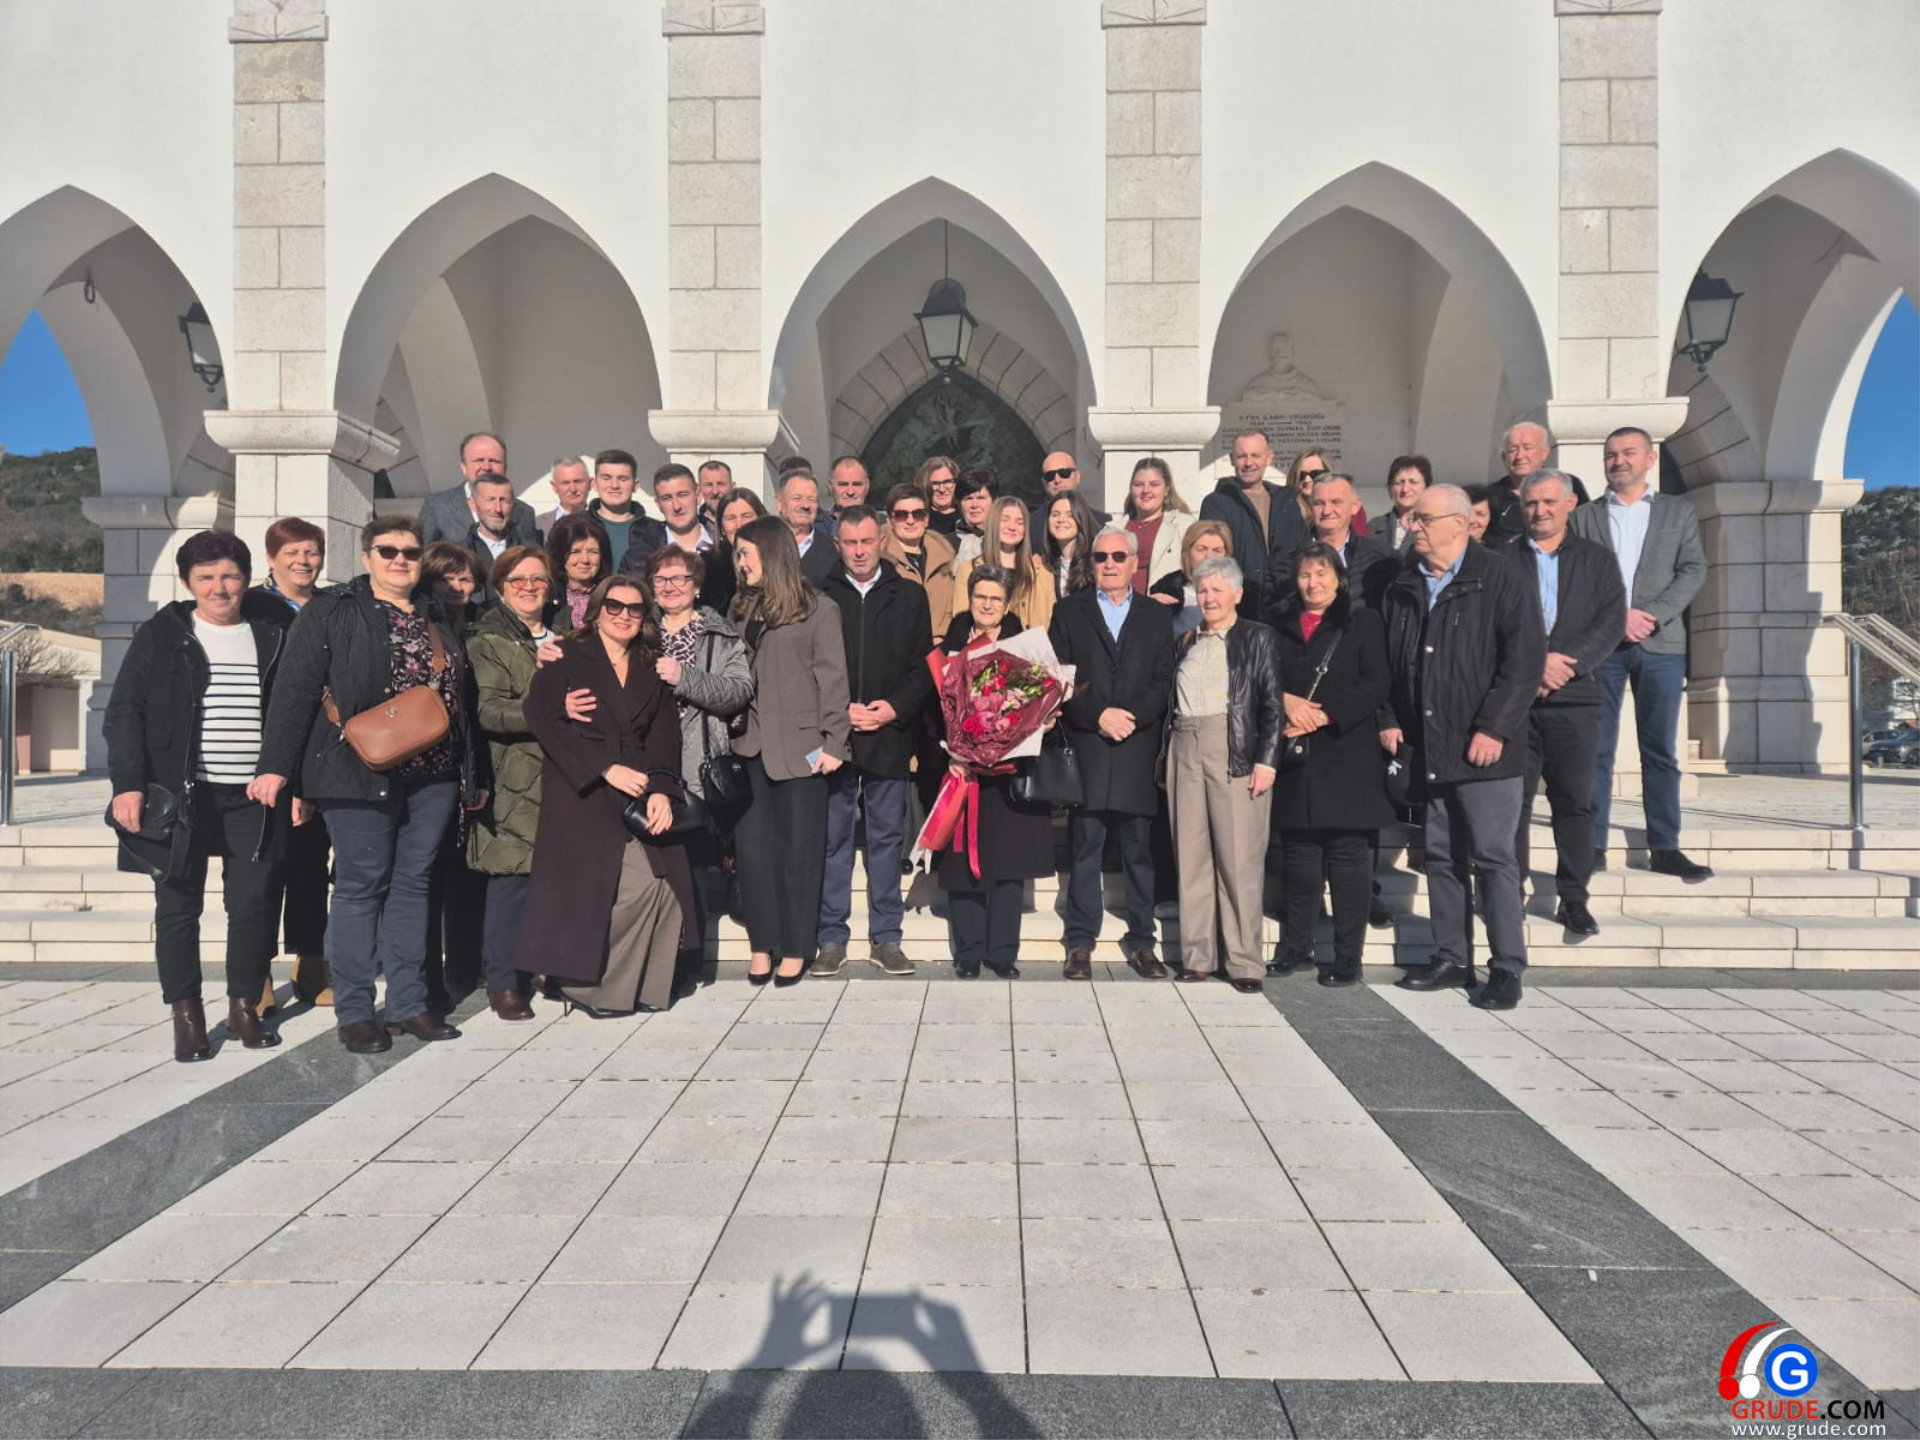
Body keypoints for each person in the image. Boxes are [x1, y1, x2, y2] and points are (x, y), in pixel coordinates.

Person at [255, 514, 481, 1052]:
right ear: (366, 557)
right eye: (388, 551)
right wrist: (277, 767)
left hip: (434, 775)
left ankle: (407, 1004)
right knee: (361, 885)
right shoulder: (333, 609)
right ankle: (355, 1011)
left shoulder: (434, 613)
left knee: (413, 885)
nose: (400, 560)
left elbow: (460, 701)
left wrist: (473, 771)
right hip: (357, 769)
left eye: (410, 552)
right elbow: (295, 689)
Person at [106, 531, 287, 1062]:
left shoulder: (273, 632)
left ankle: (244, 1007)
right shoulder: (162, 634)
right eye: (206, 578)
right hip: (180, 794)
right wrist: (128, 784)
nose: (219, 587)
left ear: (246, 578)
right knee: (178, 905)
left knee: (252, 904)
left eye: (229, 576)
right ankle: (187, 1016)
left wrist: (290, 779)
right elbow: (125, 712)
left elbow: (294, 709)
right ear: (188, 582)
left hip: (255, 794)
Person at [1381, 485, 1545, 1011]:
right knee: (1441, 856)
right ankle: (1452, 956)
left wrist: (1494, 728)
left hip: (1486, 749)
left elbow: (1524, 662)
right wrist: (1390, 718)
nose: (1414, 527)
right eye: (1413, 519)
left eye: (1424, 519)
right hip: (1431, 746)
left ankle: (1506, 966)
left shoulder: (1500, 575)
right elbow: (1392, 661)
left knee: (1494, 857)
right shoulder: (1405, 583)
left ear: (1459, 523)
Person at [519, 575, 697, 1017]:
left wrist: (662, 790)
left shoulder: (651, 664)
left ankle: (645, 988)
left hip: (638, 786)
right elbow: (543, 719)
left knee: (664, 886)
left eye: (634, 609)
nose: (623, 615)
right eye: (614, 606)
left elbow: (664, 736)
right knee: (617, 889)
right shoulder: (565, 655)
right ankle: (587, 988)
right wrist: (603, 768)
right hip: (581, 790)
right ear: (597, 611)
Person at [1570, 425, 1712, 881]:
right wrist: (1618, 617)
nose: (1618, 461)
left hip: (1661, 643)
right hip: (1602, 645)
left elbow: (1693, 569)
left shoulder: (1677, 511)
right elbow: (1577, 577)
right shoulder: (1584, 517)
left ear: (1650, 459)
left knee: (1661, 751)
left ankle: (1665, 846)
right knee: (1597, 750)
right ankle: (1592, 845)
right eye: (1611, 454)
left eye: (1628, 452)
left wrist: (1652, 614)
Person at [1050, 526, 1175, 980]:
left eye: (1118, 556)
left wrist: (1131, 717)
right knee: (1086, 847)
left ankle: (1142, 942)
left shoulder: (1155, 616)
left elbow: (1164, 679)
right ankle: (1080, 941)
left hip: (1137, 746)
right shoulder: (1069, 611)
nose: (1109, 564)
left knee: (1139, 852)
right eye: (1101, 556)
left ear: (1134, 562)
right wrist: (1098, 714)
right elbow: (1060, 676)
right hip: (1090, 743)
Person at [730, 516, 851, 985]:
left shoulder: (819, 609)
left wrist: (834, 741)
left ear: (771, 553)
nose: (741, 563)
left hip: (803, 749)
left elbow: (833, 678)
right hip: (751, 747)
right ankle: (762, 944)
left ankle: (797, 947)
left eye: (746, 553)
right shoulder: (742, 606)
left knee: (798, 853)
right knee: (753, 852)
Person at [814, 506, 933, 977]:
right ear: (837, 544)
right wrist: (838, 711)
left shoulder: (909, 595)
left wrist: (893, 709)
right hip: (835, 735)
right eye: (850, 543)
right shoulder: (819, 594)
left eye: (867, 541)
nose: (860, 551)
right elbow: (808, 665)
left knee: (886, 839)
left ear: (882, 542)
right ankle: (831, 937)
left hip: (889, 734)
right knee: (833, 839)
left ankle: (886, 938)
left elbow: (922, 667)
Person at [1267, 544, 1394, 986]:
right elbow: (1263, 677)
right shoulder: (1279, 625)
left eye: (1322, 573)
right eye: (1305, 574)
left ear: (1339, 579)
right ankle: (1296, 948)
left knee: (1347, 860)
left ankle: (1346, 957)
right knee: (1299, 860)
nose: (1313, 583)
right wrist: (1286, 701)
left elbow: (1377, 681)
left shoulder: (1363, 621)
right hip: (1296, 757)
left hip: (1346, 754)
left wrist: (1326, 715)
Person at [1509, 471, 1626, 937]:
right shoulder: (1501, 559)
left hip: (1574, 699)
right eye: (1531, 503)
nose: (1540, 511)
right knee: (1513, 804)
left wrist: (1566, 666)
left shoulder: (1597, 560)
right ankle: (1508, 893)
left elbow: (1611, 620)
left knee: (1574, 803)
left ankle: (1574, 898)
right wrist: (1534, 665)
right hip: (1516, 702)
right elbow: (1492, 624)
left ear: (1570, 503)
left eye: (1549, 502)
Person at [1165, 556, 1281, 993]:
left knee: (1238, 858)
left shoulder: (1256, 637)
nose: (1209, 597)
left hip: (1233, 749)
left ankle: (1244, 961)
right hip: (1184, 745)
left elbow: (1272, 703)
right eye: (1202, 590)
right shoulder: (1186, 640)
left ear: (1237, 593)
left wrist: (1266, 760)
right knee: (1191, 857)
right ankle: (1198, 957)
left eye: (1217, 589)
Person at [936, 566, 1053, 979]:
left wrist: (1041, 723)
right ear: (970, 599)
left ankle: (1002, 952)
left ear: (1007, 604)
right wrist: (950, 753)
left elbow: (1041, 699)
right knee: (963, 863)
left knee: (1008, 863)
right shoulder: (951, 646)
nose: (987, 605)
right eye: (980, 597)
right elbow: (933, 709)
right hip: (964, 772)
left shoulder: (1025, 646)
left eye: (995, 599)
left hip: (1009, 772)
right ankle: (968, 951)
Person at [464, 545, 566, 1020]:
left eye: (538, 579)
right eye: (518, 580)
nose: (530, 587)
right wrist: (547, 705)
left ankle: (544, 966)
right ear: (501, 587)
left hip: (565, 772)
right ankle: (503, 982)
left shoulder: (566, 633)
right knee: (512, 880)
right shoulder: (488, 639)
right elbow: (487, 711)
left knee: (555, 878)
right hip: (513, 774)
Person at [648, 545, 753, 946]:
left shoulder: (719, 634)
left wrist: (685, 678)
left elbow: (739, 690)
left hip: (698, 765)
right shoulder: (640, 629)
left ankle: (689, 953)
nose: (670, 586)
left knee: (691, 865)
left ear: (696, 586)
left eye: (680, 578)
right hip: (647, 764)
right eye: (661, 579)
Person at [252, 516, 331, 1009]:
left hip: (319, 754)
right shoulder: (253, 610)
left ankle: (312, 963)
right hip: (263, 755)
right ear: (271, 558)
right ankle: (255, 971)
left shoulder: (331, 607)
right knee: (261, 872)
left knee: (310, 867)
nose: (303, 561)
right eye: (292, 552)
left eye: (311, 552)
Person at [1199, 429, 1307, 618]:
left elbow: (1302, 552)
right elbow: (1213, 560)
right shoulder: (1217, 503)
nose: (1249, 463)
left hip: (1285, 610)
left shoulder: (1288, 503)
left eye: (1256, 455)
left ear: (1269, 458)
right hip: (1239, 609)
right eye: (1242, 456)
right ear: (1232, 459)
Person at [1267, 473, 1394, 612]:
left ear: (1355, 506)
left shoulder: (1380, 558)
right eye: (1319, 503)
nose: (1327, 511)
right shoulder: (1288, 559)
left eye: (1336, 502)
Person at [951, 494, 1055, 633]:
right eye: (1005, 520)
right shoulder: (968, 570)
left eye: (1020, 522)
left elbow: (1051, 623)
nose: (1012, 527)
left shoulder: (1043, 574)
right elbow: (961, 623)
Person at [419, 431, 537, 547]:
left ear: (505, 468)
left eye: (494, 461)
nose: (486, 467)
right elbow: (421, 554)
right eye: (479, 460)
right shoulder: (437, 507)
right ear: (464, 467)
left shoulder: (524, 512)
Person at [1487, 421, 1591, 542]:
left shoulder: (1568, 484)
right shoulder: (1491, 496)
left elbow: (1587, 527)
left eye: (1527, 448)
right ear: (1504, 457)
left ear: (1545, 452)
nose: (1520, 456)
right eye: (1512, 450)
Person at [879, 481, 956, 639]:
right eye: (901, 515)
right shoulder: (879, 561)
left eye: (918, 514)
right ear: (890, 520)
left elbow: (951, 610)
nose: (910, 521)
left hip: (940, 648)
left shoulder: (944, 559)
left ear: (926, 519)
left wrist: (942, 638)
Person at [653, 463, 731, 615]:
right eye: (667, 498)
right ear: (658, 504)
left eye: (683, 495)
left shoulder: (724, 548)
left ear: (698, 495)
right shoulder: (642, 552)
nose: (676, 506)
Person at [1148, 519, 1233, 637]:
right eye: (1201, 549)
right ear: (1187, 552)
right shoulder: (1168, 589)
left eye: (1217, 551)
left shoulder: (1243, 594)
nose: (1209, 556)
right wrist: (1148, 608)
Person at [587, 448, 666, 573]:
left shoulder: (656, 532)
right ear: (594, 484)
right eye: (606, 478)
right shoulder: (574, 526)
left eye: (622, 479)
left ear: (635, 485)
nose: (614, 485)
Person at [1124, 456, 1195, 594]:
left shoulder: (1184, 526)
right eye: (1138, 484)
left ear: (1166, 489)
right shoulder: (1114, 528)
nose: (1146, 490)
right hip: (1121, 605)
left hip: (1165, 604)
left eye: (1154, 484)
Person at [465, 472, 543, 580]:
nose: (498, 509)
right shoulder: (461, 552)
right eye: (490, 499)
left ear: (514, 505)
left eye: (504, 500)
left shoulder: (532, 552)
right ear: (472, 504)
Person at [548, 512, 612, 632]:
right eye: (575, 552)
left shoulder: (612, 595)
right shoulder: (547, 596)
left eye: (593, 552)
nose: (585, 560)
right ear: (560, 555)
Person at [776, 469, 837, 587]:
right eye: (797, 498)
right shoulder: (763, 544)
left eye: (811, 499)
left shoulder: (831, 550)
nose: (805, 505)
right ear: (779, 503)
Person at [422, 542, 487, 635]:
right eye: (446, 580)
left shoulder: (488, 622)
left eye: (464, 580)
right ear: (429, 582)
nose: (457, 588)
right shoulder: (418, 624)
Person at [1041, 491, 1097, 600]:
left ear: (1081, 519)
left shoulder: (1095, 563)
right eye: (1055, 515)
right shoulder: (1044, 565)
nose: (1061, 520)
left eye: (1070, 515)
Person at [1034, 450, 1109, 526]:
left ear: (1077, 477)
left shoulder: (1103, 523)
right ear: (1044, 483)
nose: (1057, 480)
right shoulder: (1032, 524)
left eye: (1064, 473)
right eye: (1050, 475)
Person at [1380, 456, 1432, 553]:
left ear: (1427, 487)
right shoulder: (1374, 527)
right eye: (1399, 483)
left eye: (1413, 482)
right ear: (1390, 488)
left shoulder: (1436, 525)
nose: (1405, 489)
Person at [950, 468, 997, 569]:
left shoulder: (1006, 540)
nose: (974, 505)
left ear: (994, 501)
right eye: (968, 498)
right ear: (959, 503)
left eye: (981, 498)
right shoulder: (946, 545)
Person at [535, 456, 592, 538]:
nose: (573, 489)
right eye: (565, 483)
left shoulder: (602, 522)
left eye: (578, 482)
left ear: (590, 484)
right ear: (554, 487)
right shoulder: (537, 525)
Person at [918, 455, 961, 535]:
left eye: (947, 482)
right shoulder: (918, 519)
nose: (942, 489)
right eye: (935, 483)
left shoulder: (968, 516)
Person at [696, 459, 734, 529]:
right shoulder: (692, 527)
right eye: (709, 485)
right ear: (699, 490)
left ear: (732, 488)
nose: (715, 492)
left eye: (721, 484)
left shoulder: (743, 523)